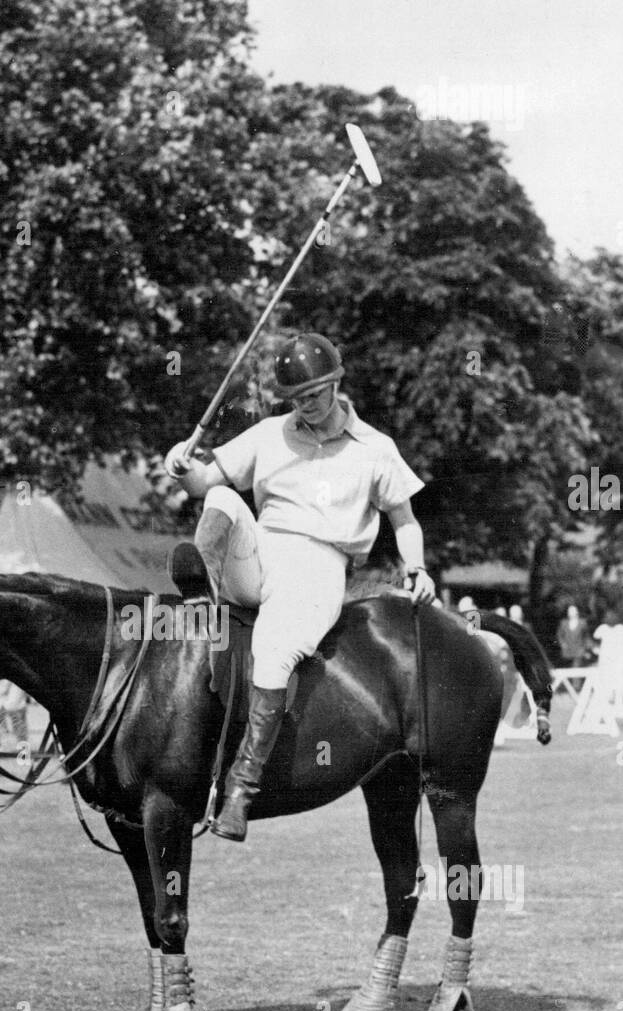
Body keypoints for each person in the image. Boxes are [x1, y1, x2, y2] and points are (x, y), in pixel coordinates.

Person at [164, 332, 435, 843]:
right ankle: (204, 597)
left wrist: (416, 567)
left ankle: (241, 789)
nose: (305, 406)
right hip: (262, 550)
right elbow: (203, 481)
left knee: (271, 651)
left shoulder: (376, 449)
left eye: (314, 394)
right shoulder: (268, 434)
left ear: (336, 383)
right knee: (221, 501)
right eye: (295, 399)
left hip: (318, 566)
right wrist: (180, 464)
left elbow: (406, 521)